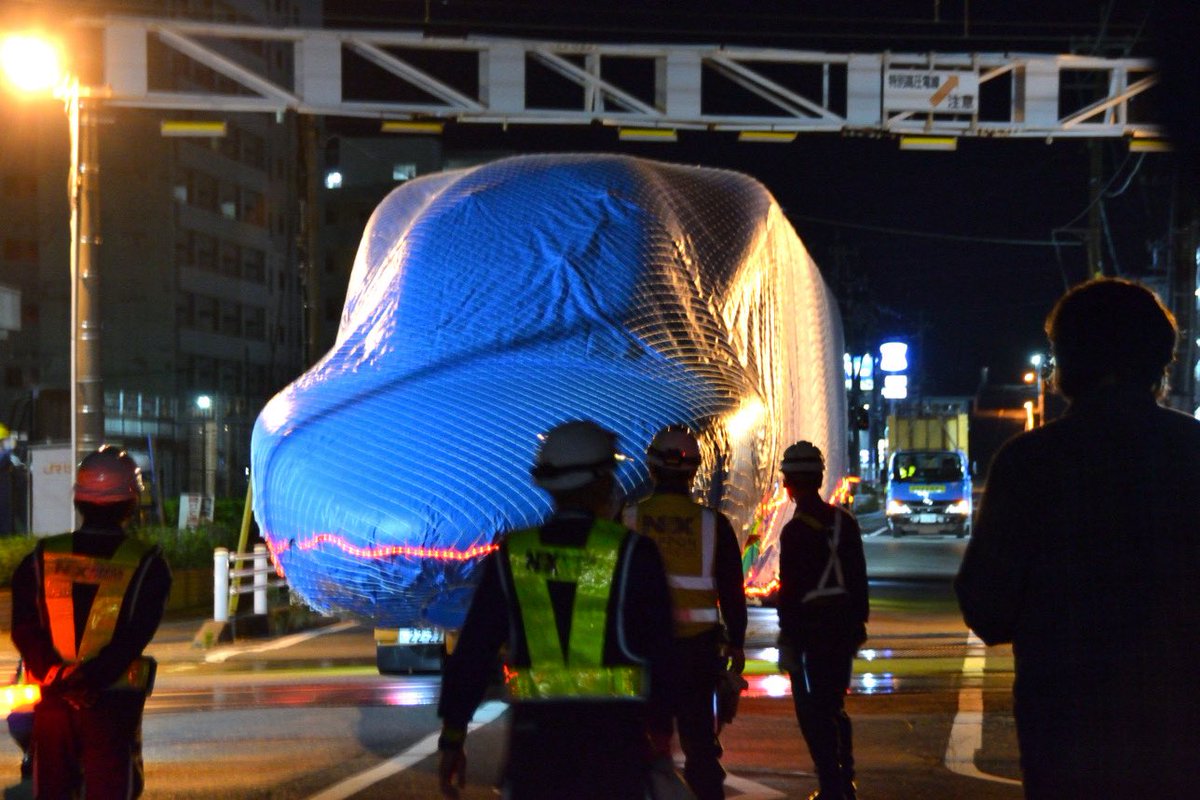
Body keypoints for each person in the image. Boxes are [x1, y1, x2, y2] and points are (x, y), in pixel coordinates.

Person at [955, 277, 1200, 798]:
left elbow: (987, 606)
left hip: (1066, 735)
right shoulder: (1193, 454)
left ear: (1065, 360)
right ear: (1161, 359)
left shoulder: (1031, 463)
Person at [436, 420, 675, 799]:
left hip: (536, 752)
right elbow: (663, 655)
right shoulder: (634, 553)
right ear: (602, 482)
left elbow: (474, 653)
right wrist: (661, 738)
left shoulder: (513, 554)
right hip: (615, 752)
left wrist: (452, 737)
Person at [11, 445, 172, 798]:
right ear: (131, 502)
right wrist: (90, 681)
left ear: (78, 500)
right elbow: (134, 636)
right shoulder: (148, 564)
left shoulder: (42, 557)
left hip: (51, 702)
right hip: (111, 706)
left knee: (51, 789)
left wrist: (57, 676)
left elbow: (23, 627)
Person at [622, 426, 748, 800]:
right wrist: (736, 644)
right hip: (696, 655)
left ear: (651, 468)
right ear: (694, 471)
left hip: (641, 653)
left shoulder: (627, 520)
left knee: (641, 746)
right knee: (700, 748)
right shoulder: (714, 525)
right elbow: (732, 593)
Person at [776, 441, 868, 800]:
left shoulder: (795, 531)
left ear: (790, 483)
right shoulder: (845, 523)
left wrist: (788, 637)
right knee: (834, 705)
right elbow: (859, 577)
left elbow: (791, 591)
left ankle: (830, 783)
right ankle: (845, 780)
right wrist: (858, 623)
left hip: (810, 632)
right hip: (842, 628)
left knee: (811, 711)